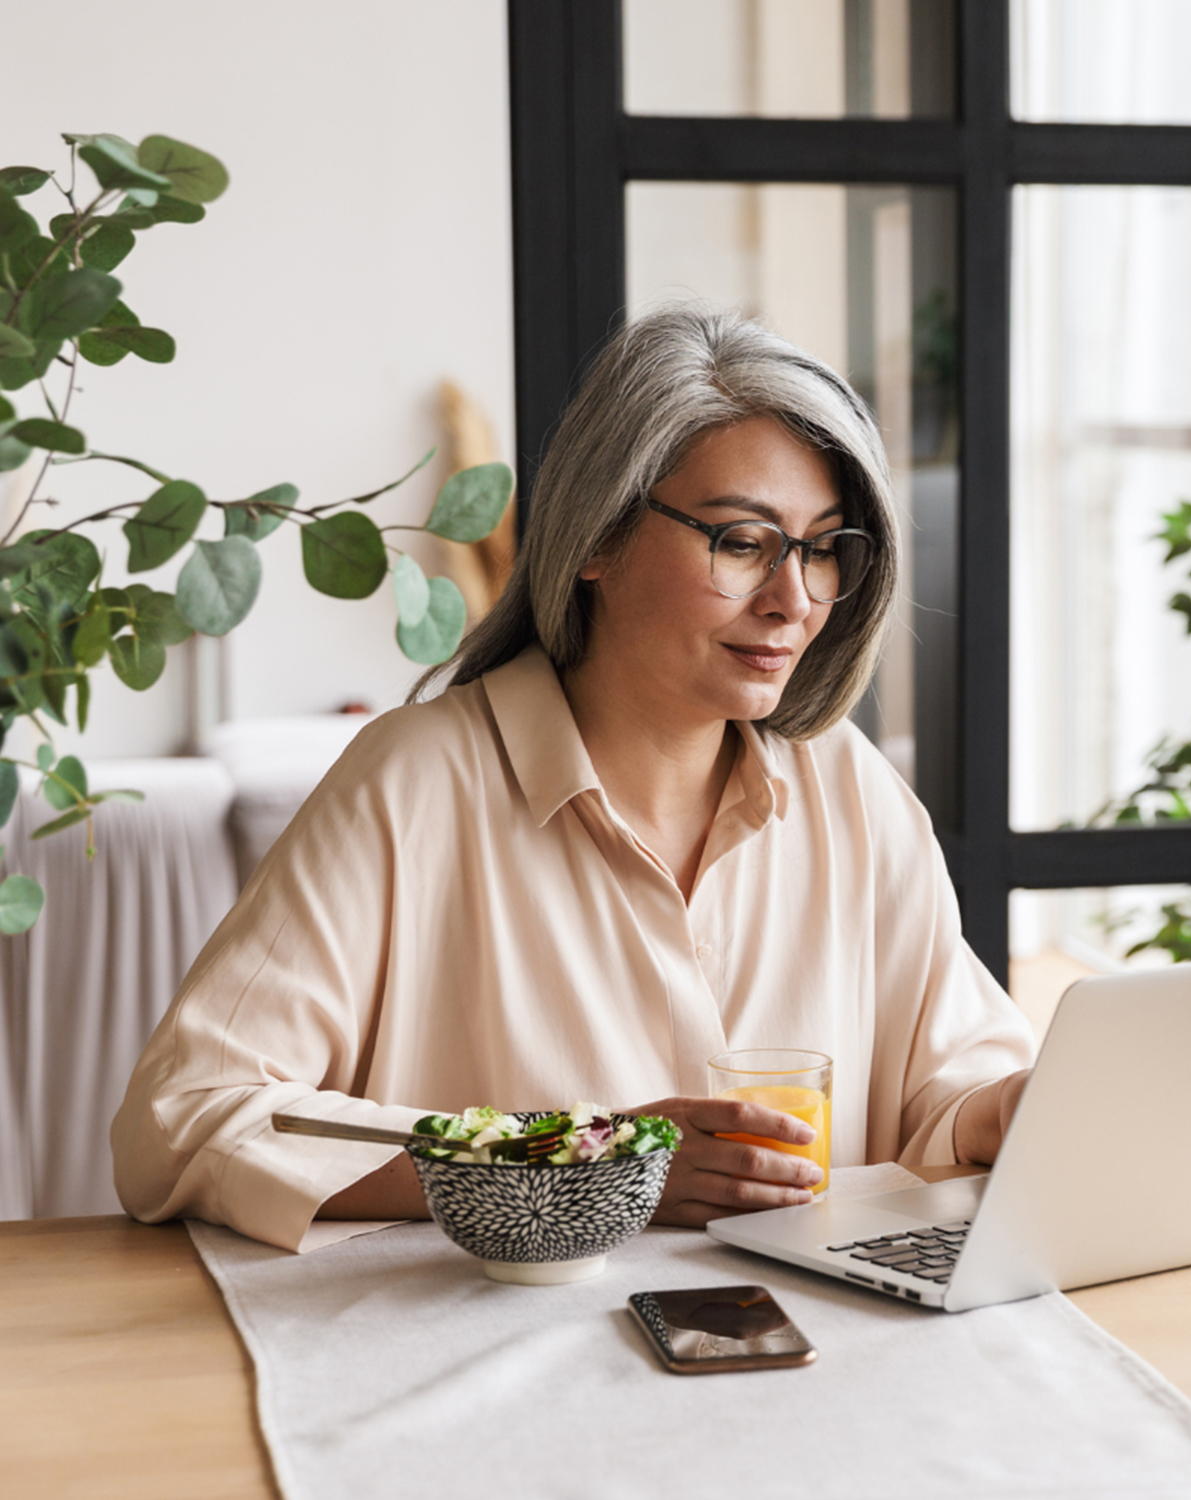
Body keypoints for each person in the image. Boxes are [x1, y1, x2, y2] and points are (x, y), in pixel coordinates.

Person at [111, 306, 1035, 1251]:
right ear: (598, 536)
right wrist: (582, 1166)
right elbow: (185, 1119)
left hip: (812, 1358)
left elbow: (948, 1088)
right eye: (742, 542)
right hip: (493, 1372)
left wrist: (1002, 1112)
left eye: (822, 548)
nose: (792, 600)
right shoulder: (413, 783)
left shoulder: (852, 790)